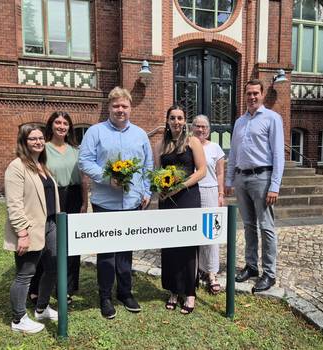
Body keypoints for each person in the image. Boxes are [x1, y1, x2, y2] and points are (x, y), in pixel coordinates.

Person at [79, 87, 153, 319]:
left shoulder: (140, 134)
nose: (120, 110)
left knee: (125, 251)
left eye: (124, 106)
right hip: (105, 202)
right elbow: (84, 161)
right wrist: (106, 177)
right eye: (116, 106)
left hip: (132, 202)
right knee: (107, 252)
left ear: (130, 108)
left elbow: (147, 165)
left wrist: (146, 191)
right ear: (109, 107)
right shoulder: (95, 132)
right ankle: (104, 296)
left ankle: (125, 291)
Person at [225, 79, 285, 293]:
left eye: (255, 93)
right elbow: (233, 152)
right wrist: (229, 180)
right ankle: (251, 266)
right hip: (242, 178)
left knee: (266, 227)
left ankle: (269, 273)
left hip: (262, 178)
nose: (251, 97)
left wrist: (275, 185)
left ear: (262, 95)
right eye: (248, 93)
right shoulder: (240, 122)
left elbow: (278, 153)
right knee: (249, 225)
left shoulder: (272, 118)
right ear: (245, 95)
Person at [28, 112, 88, 306]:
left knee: (72, 245)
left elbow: (84, 178)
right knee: (46, 244)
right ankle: (36, 286)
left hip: (74, 196)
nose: (61, 126)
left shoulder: (75, 150)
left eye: (65, 123)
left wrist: (85, 202)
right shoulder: (42, 148)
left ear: (69, 127)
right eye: (58, 122)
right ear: (51, 125)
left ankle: (67, 288)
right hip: (51, 197)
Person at [4, 124, 59, 333]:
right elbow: (14, 204)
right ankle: (18, 320)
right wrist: (22, 233)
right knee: (25, 274)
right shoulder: (17, 167)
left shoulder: (42, 165)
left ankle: (42, 307)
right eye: (32, 139)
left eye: (40, 138)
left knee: (53, 268)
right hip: (29, 229)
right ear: (23, 142)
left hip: (51, 225)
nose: (38, 142)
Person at [154, 105, 206, 314]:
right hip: (167, 200)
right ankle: (173, 290)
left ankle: (190, 292)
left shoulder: (192, 142)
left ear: (185, 121)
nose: (176, 122)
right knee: (170, 246)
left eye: (180, 118)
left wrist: (180, 186)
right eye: (173, 118)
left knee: (187, 246)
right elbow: (156, 172)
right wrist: (161, 189)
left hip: (188, 197)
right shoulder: (160, 145)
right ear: (167, 121)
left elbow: (202, 171)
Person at [191, 114, 225, 295]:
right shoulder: (188, 145)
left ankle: (211, 272)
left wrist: (221, 193)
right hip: (191, 192)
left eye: (204, 127)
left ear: (209, 130)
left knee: (210, 232)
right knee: (193, 232)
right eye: (197, 126)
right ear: (192, 127)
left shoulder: (215, 148)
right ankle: (195, 269)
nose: (200, 129)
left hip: (210, 191)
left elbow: (220, 174)